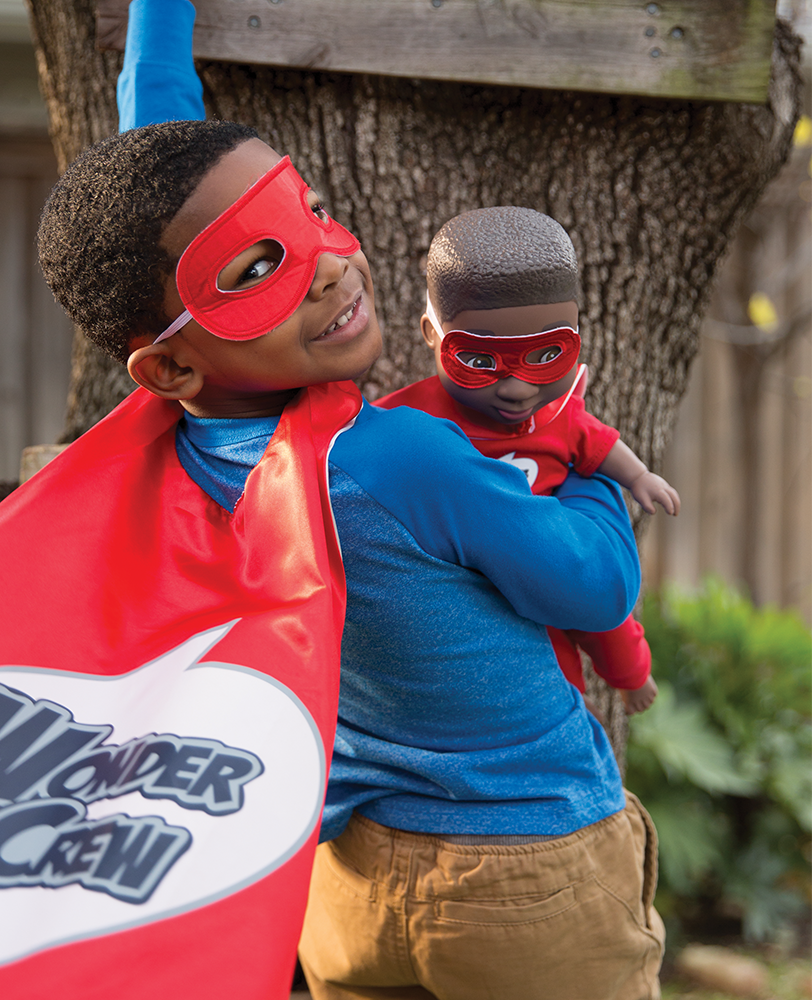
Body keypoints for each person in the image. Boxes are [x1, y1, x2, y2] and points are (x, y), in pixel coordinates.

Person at [38, 120, 662, 1000]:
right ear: (169, 366)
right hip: (525, 864)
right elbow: (596, 587)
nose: (327, 265)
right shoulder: (401, 457)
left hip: (346, 879)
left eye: (311, 211)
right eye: (254, 268)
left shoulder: (175, 460)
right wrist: (589, 472)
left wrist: (156, 45)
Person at [379, 207, 679, 715]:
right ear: (431, 333)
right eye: (479, 360)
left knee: (593, 620)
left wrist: (640, 478)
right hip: (452, 604)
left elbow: (599, 446)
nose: (518, 389)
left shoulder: (559, 416)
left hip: (544, 591)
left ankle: (621, 680)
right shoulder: (407, 420)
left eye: (545, 356)